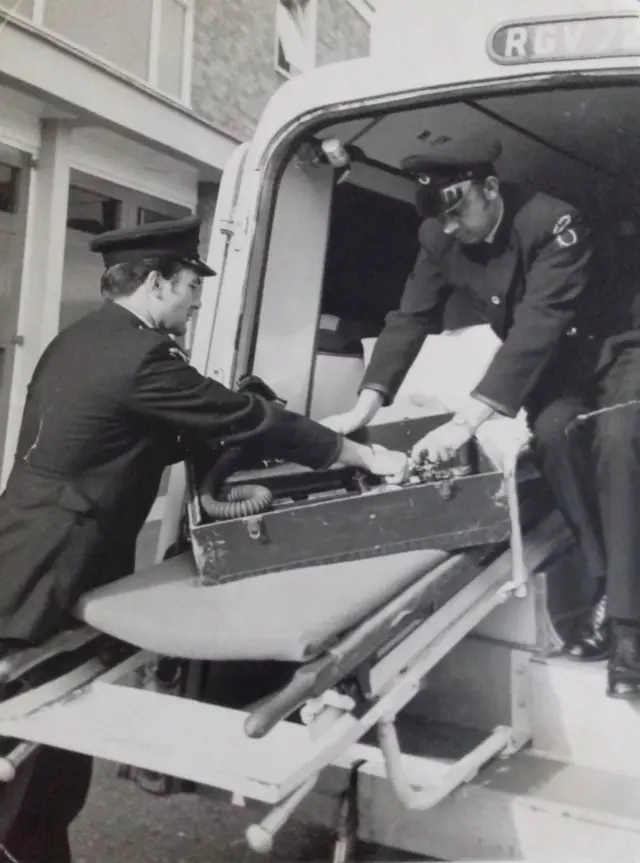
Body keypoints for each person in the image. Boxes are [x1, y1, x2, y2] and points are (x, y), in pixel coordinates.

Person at [0, 215, 409, 862]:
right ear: (158, 282)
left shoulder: (83, 338)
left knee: (53, 744)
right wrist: (352, 451)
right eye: (191, 285)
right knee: (23, 728)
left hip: (34, 549)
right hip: (46, 572)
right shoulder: (141, 358)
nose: (196, 300)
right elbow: (235, 414)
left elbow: (135, 436)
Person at [322, 132, 640, 700]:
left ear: (490, 188)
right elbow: (409, 317)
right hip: (561, 366)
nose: (450, 229)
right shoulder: (437, 233)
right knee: (552, 435)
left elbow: (537, 326)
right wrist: (363, 407)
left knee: (617, 441)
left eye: (457, 211)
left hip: (621, 350)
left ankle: (629, 633)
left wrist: (465, 421)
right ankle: (605, 576)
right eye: (438, 218)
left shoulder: (553, 222)